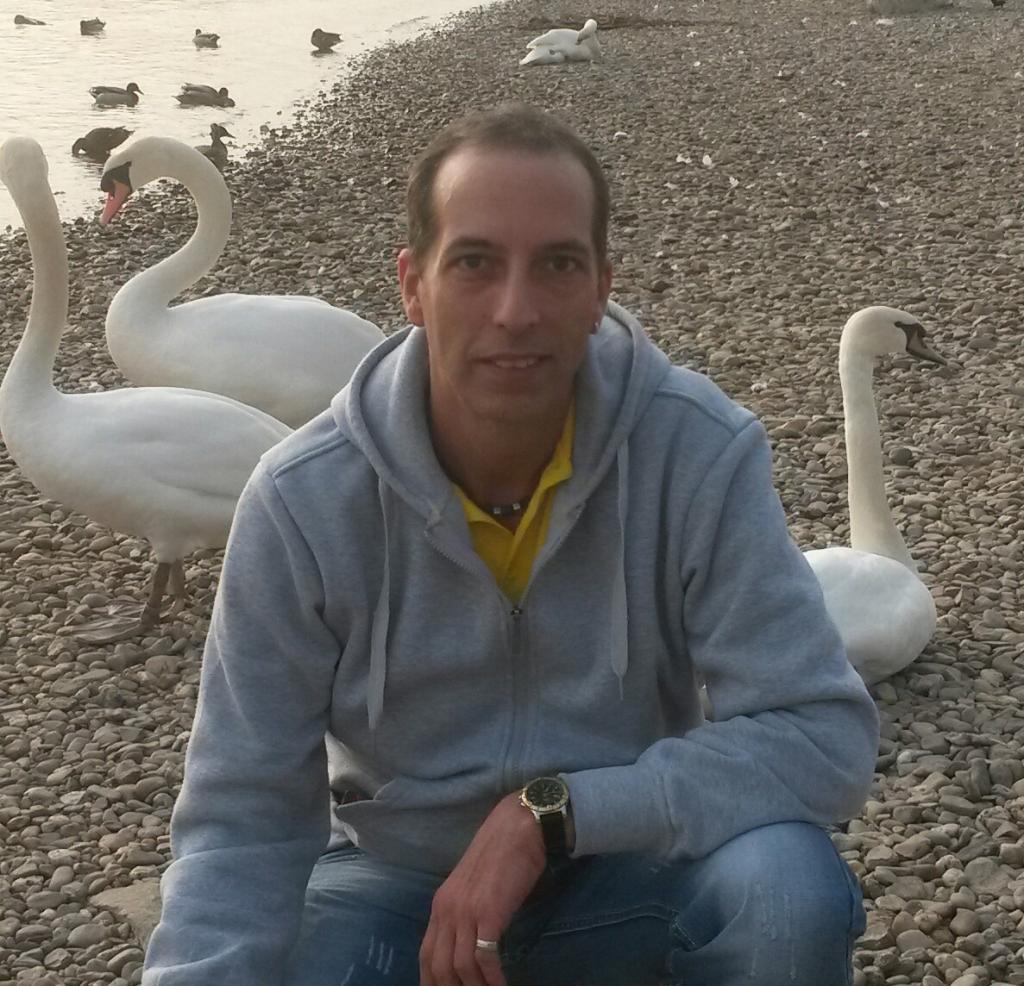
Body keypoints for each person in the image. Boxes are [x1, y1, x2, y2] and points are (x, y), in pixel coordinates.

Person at [142, 103, 878, 986]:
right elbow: (241, 817)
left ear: (602, 287)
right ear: (413, 284)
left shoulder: (695, 452)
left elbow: (820, 735)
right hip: (397, 893)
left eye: (558, 264)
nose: (516, 311)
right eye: (475, 263)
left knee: (787, 893)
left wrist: (552, 815)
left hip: (631, 873)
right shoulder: (305, 500)